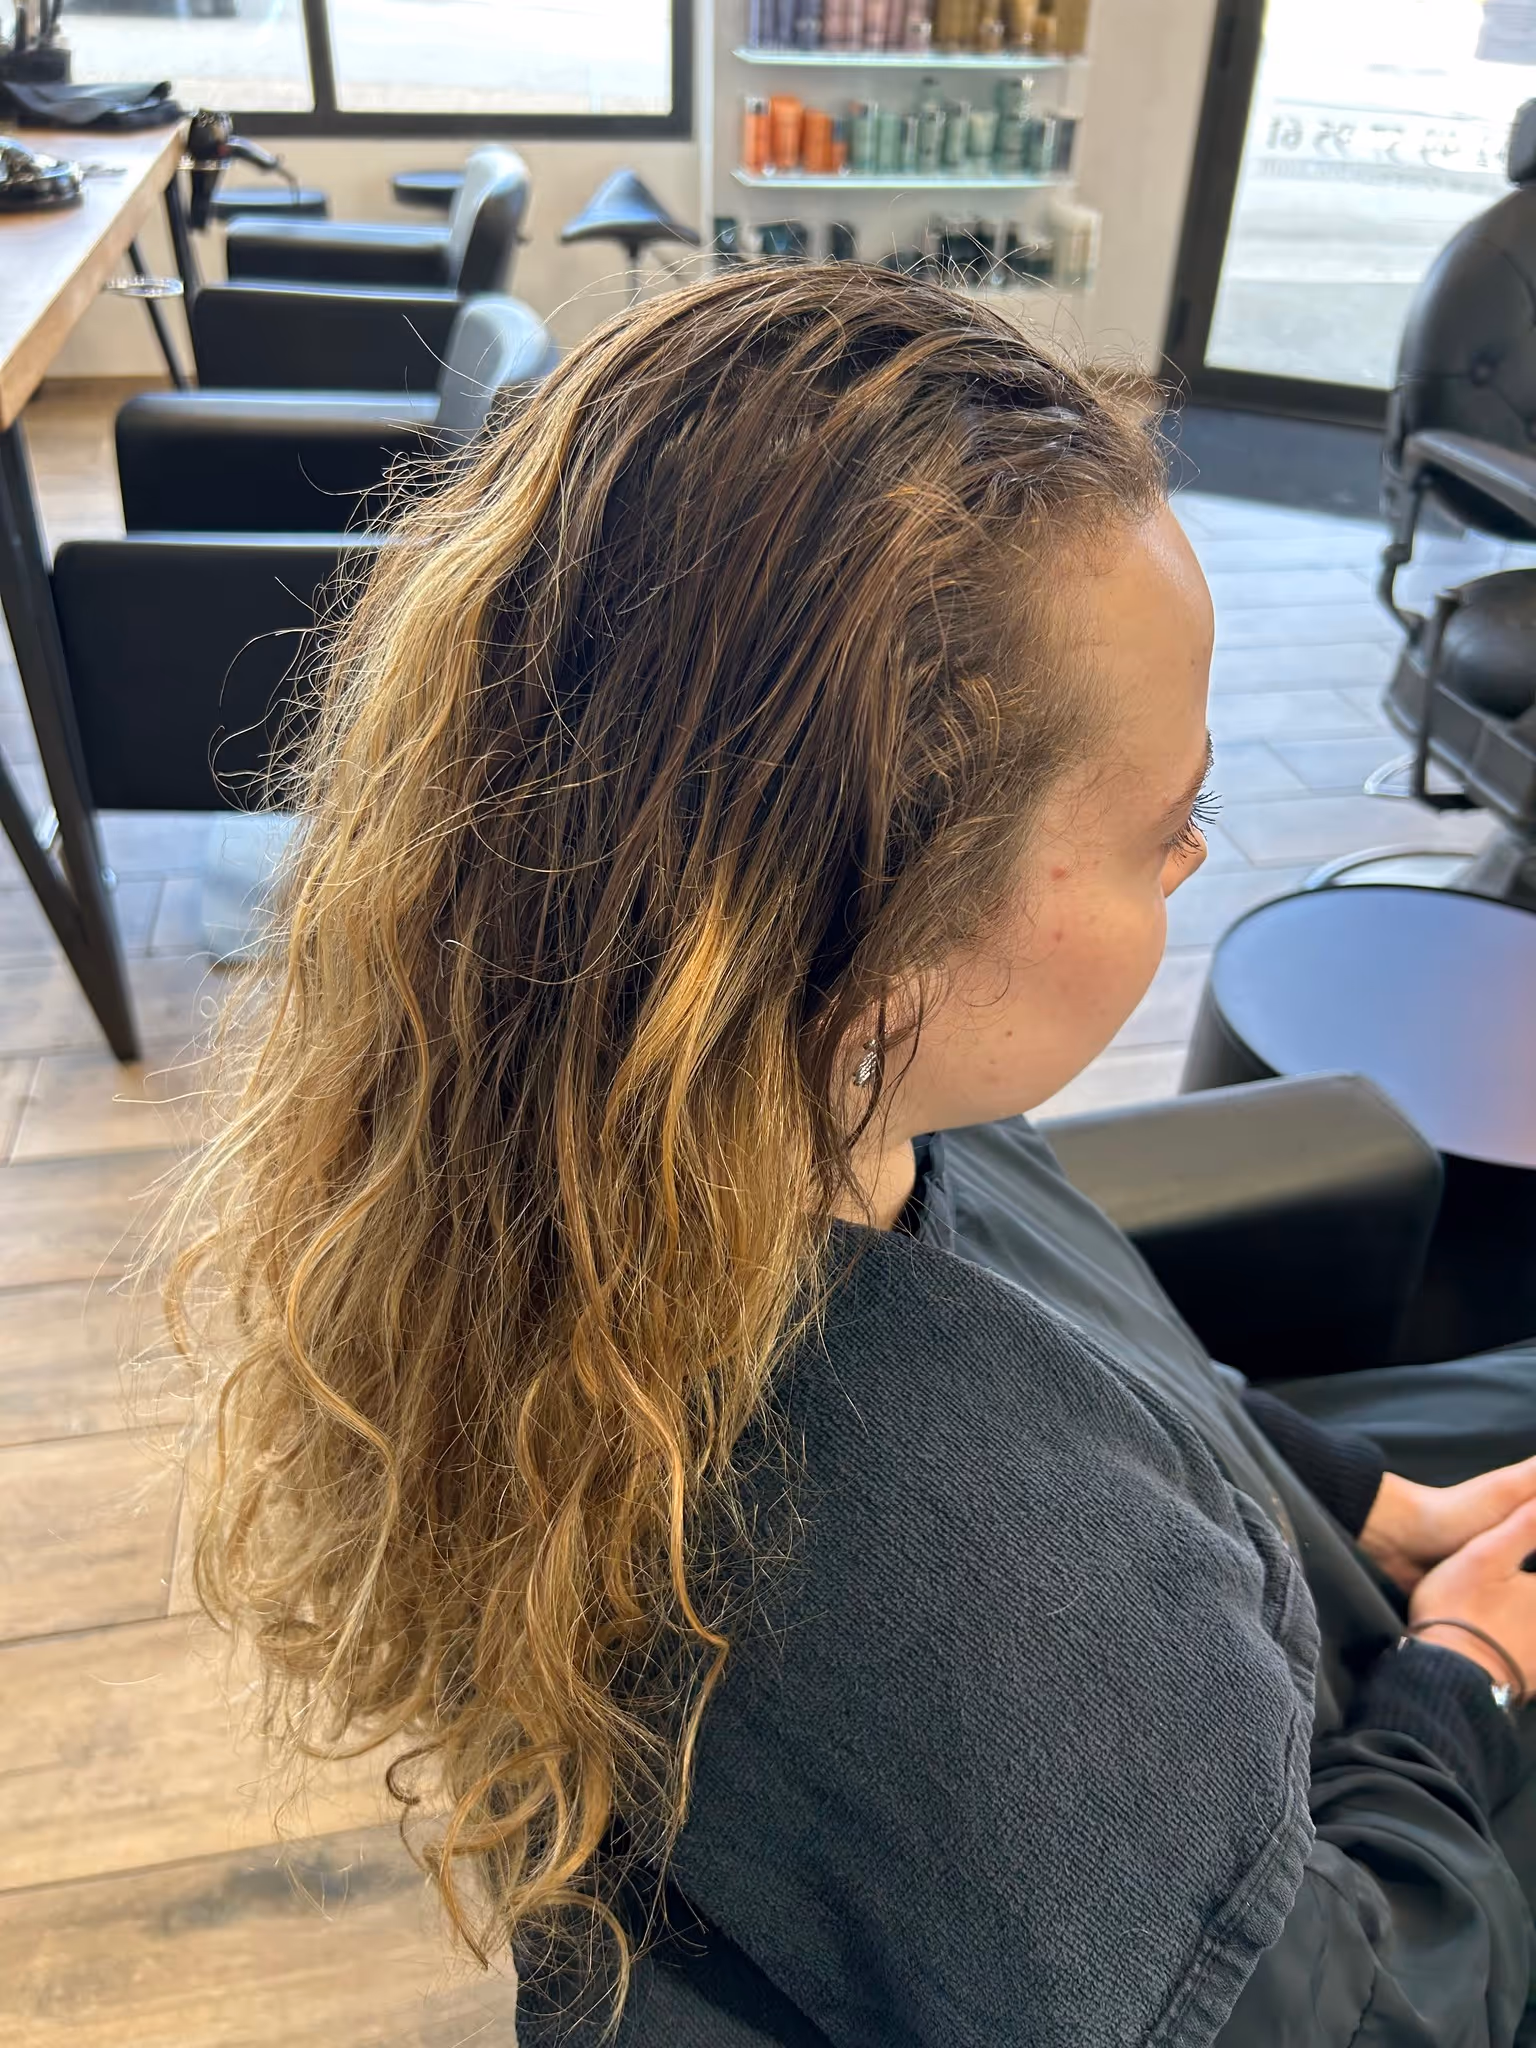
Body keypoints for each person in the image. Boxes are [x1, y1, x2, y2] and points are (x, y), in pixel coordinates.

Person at [157, 265, 1536, 2046]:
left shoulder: (797, 1100)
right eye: (1168, 825)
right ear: (877, 913)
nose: (1193, 869)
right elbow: (1348, 2019)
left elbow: (1099, 1350)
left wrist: (1375, 1505)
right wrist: (1470, 1681)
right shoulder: (954, 1587)